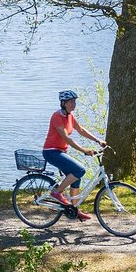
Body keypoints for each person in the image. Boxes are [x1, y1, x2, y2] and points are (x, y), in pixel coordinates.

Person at [42, 89, 103, 218]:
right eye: (71, 102)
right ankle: (57, 193)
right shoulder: (56, 117)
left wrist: (97, 140)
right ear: (63, 103)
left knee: (76, 177)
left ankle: (74, 210)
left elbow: (81, 130)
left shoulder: (70, 116)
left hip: (60, 151)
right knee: (80, 170)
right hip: (51, 152)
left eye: (74, 101)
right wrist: (84, 150)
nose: (74, 104)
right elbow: (67, 138)